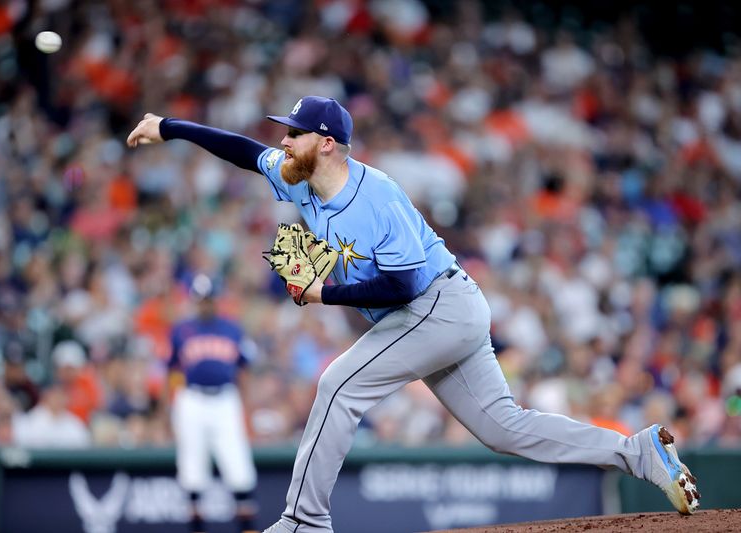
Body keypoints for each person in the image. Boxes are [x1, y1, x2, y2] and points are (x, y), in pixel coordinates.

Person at [127, 96, 700, 533]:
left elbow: (402, 284)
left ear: (326, 143)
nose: (284, 140)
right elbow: (243, 151)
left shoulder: (375, 195)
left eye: (295, 133)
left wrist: (321, 295)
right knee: (504, 428)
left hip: (436, 306)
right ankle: (640, 452)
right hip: (431, 316)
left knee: (336, 385)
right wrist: (169, 128)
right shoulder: (297, 176)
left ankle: (303, 521)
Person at [166, 274, 258, 533]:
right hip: (192, 399)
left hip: (225, 399)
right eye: (201, 299)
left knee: (239, 469)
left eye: (209, 299)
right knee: (192, 470)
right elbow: (170, 371)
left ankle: (247, 529)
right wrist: (166, 411)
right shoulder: (181, 329)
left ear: (216, 300)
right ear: (195, 300)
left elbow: (244, 370)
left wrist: (247, 407)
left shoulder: (233, 329)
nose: (205, 304)